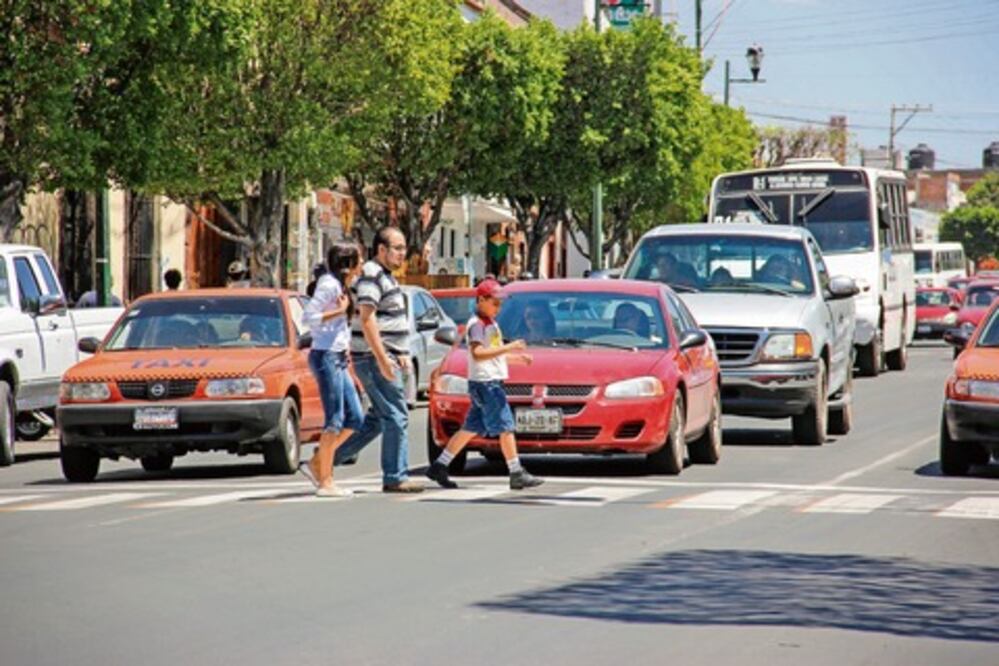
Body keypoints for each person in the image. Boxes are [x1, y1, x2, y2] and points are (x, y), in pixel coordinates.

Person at [426, 278, 543, 491]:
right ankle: (516, 471)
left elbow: (491, 356)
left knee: (471, 428)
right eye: (494, 303)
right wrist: (510, 348)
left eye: (500, 304)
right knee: (506, 426)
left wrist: (517, 358)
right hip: (487, 384)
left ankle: (440, 465)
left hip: (486, 382)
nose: (498, 308)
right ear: (481, 300)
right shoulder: (478, 325)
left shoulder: (490, 324)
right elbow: (478, 353)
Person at [332, 227, 424, 493]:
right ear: (381, 249)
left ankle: (325, 459)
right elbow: (367, 317)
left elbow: (388, 319)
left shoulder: (385, 276)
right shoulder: (372, 274)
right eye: (397, 248)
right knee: (397, 415)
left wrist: (402, 353)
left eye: (404, 248)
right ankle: (396, 476)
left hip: (383, 357)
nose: (402, 253)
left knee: (377, 419)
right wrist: (384, 358)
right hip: (373, 358)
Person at [299, 243, 364, 498]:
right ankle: (325, 481)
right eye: (358, 261)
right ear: (347, 263)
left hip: (337, 356)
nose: (361, 266)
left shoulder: (340, 286)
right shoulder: (329, 285)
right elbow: (308, 317)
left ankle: (317, 463)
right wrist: (339, 310)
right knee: (334, 420)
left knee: (355, 417)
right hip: (325, 356)